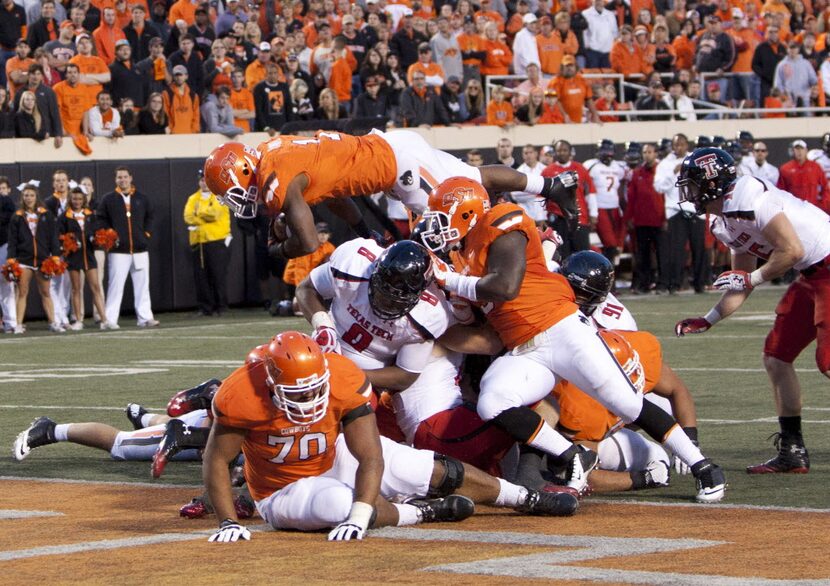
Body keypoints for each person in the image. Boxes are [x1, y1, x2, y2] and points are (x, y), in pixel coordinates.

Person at [423, 177, 726, 502]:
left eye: (442, 217)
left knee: (625, 401)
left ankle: (703, 467)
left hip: (560, 328)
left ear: (467, 212)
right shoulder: (460, 256)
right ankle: (571, 456)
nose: (436, 227)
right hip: (524, 350)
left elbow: (505, 286)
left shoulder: (502, 220)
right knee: (493, 402)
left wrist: (449, 278)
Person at [202, 330, 578, 543]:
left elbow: (370, 454)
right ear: (269, 382)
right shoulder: (241, 396)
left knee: (426, 468)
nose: (310, 399)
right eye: (298, 393)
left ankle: (525, 498)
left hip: (333, 455)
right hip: (282, 489)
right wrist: (227, 520)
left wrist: (365, 510)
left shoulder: (343, 376)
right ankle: (418, 512)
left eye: (315, 388)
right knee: (338, 506)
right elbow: (217, 459)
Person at [675, 147, 830, 475]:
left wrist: (753, 276)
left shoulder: (749, 196)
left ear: (713, 182)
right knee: (776, 356)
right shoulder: (723, 223)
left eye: (693, 184)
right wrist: (709, 318)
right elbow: (740, 282)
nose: (688, 192)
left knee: (828, 361)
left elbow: (792, 250)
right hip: (813, 273)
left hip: (826, 263)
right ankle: (792, 450)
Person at [203, 130, 579, 260]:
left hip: (400, 167)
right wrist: (364, 229)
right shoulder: (274, 151)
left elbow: (305, 242)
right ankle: (552, 187)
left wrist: (277, 251)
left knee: (450, 225)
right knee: (471, 175)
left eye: (229, 190)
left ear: (244, 171)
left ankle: (540, 249)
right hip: (393, 147)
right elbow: (333, 192)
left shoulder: (273, 178)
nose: (233, 200)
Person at [97, 166, 158, 329]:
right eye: (119, 177)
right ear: (115, 180)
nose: (122, 180)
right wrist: (109, 234)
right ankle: (110, 319)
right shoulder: (108, 199)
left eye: (125, 177)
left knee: (143, 285)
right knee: (115, 286)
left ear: (131, 178)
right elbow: (101, 219)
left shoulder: (142, 199)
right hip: (118, 251)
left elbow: (150, 217)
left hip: (140, 249)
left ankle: (145, 317)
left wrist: (146, 235)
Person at [653, 133, 706, 294]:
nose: (679, 147)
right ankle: (674, 284)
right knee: (676, 249)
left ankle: (700, 283)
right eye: (676, 144)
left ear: (687, 145)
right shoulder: (664, 164)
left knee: (699, 247)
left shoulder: (695, 160)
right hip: (675, 209)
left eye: (682, 144)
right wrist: (673, 173)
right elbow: (659, 187)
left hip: (694, 208)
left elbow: (703, 181)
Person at [6, 182, 62, 333]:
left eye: (31, 195)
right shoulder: (17, 217)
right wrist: (11, 259)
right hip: (24, 260)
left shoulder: (46, 214)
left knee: (46, 292)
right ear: (22, 198)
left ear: (36, 196)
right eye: (26, 195)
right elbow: (12, 240)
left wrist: (55, 255)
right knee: (22, 292)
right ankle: (18, 325)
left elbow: (53, 237)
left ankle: (53, 322)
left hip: (43, 260)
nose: (29, 198)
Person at [56, 186, 109, 330]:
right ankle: (78, 320)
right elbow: (59, 237)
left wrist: (97, 238)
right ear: (70, 199)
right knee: (76, 288)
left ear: (84, 199)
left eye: (80, 199)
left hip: (89, 256)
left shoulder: (90, 215)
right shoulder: (64, 217)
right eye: (74, 198)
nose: (77, 201)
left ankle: (104, 319)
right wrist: (68, 242)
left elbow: (97, 231)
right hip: (73, 257)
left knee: (96, 287)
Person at [183, 171, 231, 317]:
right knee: (201, 276)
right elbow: (188, 217)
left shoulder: (219, 196)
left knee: (217, 275)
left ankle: (221, 306)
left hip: (216, 240)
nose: (204, 183)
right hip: (199, 242)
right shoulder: (193, 198)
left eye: (206, 180)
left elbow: (214, 214)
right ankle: (206, 307)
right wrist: (202, 216)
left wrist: (199, 214)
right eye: (202, 180)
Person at [542, 139, 596, 257]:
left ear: (570, 152)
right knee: (562, 254)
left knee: (583, 254)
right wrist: (540, 217)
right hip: (558, 219)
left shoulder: (580, 169)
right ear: (555, 152)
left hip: (580, 218)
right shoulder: (547, 171)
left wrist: (594, 214)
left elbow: (590, 192)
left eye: (565, 150)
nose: (562, 153)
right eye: (559, 150)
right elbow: (540, 196)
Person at [624, 143, 666, 294]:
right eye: (644, 152)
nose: (647, 155)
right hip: (641, 221)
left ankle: (663, 283)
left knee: (662, 254)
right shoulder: (636, 173)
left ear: (655, 154)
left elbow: (666, 196)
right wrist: (629, 217)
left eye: (649, 152)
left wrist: (666, 217)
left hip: (659, 220)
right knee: (643, 254)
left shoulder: (662, 171)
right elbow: (631, 197)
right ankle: (644, 284)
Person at [584, 139, 626, 267]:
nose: (607, 154)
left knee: (616, 245)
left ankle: (611, 274)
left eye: (609, 150)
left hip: (615, 208)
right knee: (610, 244)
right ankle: (609, 275)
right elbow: (586, 188)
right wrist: (591, 211)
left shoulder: (618, 167)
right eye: (604, 150)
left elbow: (622, 186)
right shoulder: (591, 166)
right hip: (600, 208)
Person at [777, 140, 829, 213]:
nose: (799, 151)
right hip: (794, 209)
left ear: (806, 150)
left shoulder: (816, 167)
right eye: (797, 149)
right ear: (793, 151)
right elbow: (781, 191)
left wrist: (823, 205)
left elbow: (825, 187)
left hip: (813, 209)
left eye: (802, 149)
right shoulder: (785, 169)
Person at [0, 177, 18, 333]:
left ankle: (10, 322)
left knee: (6, 283)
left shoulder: (5, 201)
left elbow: (10, 217)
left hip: (3, 245)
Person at [163, 64, 199, 134]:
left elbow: (196, 116)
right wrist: (170, 130)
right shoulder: (166, 94)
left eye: (181, 75)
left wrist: (194, 131)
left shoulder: (193, 96)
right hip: (173, 134)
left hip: (189, 134)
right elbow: (165, 114)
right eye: (176, 75)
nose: (179, 77)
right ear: (173, 77)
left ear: (186, 76)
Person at [581, 0, 618, 68]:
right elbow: (584, 32)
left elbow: (614, 32)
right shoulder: (585, 14)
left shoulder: (610, 15)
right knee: (594, 75)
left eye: (600, 1)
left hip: (608, 51)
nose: (599, 3)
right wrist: (587, 45)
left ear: (604, 2)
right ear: (592, 1)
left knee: (607, 76)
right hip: (592, 51)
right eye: (596, 1)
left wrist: (613, 46)